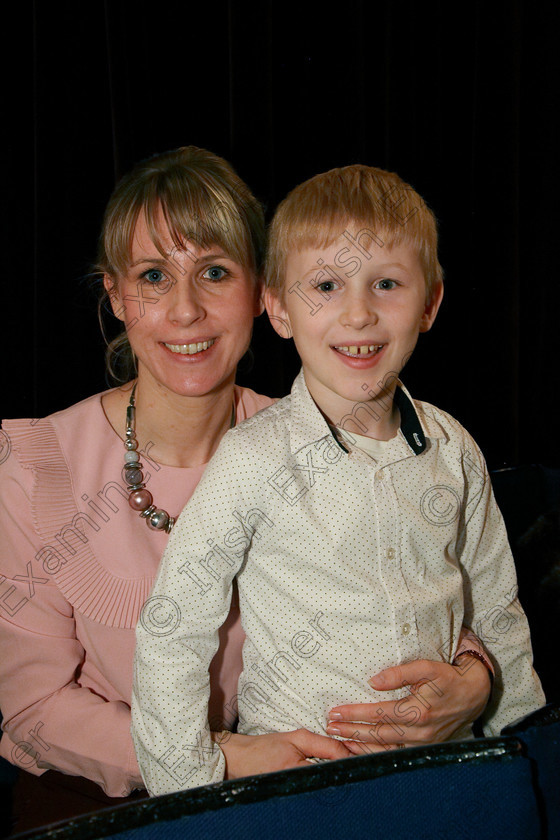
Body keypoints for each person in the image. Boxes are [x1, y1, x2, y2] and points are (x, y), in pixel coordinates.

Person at [0, 149, 491, 830]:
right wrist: (216, 761)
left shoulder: (319, 434)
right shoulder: (35, 466)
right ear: (114, 295)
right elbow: (33, 710)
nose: (186, 310)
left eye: (214, 272)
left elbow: (407, 582)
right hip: (105, 808)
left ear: (262, 292)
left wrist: (476, 676)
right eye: (152, 276)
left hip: (321, 792)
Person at [131, 163, 545, 796]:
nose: (358, 315)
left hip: (452, 773)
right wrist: (191, 785)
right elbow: (172, 627)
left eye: (387, 284)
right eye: (325, 285)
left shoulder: (454, 448)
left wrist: (526, 754)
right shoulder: (251, 461)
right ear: (277, 307)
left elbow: (495, 604)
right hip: (308, 793)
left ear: (430, 302)